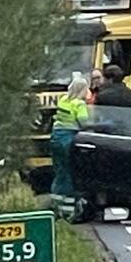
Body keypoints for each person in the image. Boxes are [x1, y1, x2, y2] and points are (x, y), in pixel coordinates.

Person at [50, 76, 90, 221]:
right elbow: (84, 122)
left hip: (56, 137)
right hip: (69, 139)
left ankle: (55, 204)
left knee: (59, 171)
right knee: (70, 172)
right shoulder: (79, 104)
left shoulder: (63, 100)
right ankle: (67, 210)